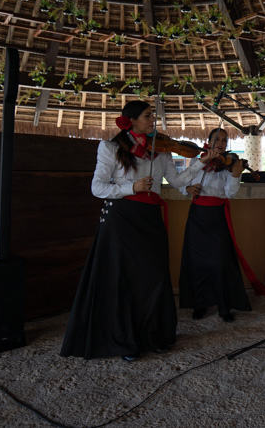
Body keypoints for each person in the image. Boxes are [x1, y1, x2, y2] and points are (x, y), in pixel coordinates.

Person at [61, 100, 187, 361]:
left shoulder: (161, 149)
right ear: (131, 120)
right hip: (122, 221)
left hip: (150, 219)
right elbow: (97, 188)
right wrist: (132, 188)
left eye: (153, 115)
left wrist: (201, 162)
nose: (153, 120)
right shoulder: (110, 147)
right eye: (148, 115)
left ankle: (154, 336)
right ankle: (125, 342)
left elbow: (177, 182)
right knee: (126, 280)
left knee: (154, 278)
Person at [177, 128, 265, 323]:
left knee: (220, 262)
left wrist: (235, 175)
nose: (221, 143)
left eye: (224, 140)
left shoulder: (230, 164)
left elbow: (230, 193)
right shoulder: (197, 161)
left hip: (217, 216)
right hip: (197, 216)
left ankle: (224, 305)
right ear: (208, 141)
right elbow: (180, 182)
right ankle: (200, 303)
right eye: (217, 139)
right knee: (197, 262)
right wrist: (188, 189)